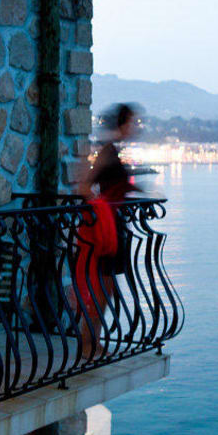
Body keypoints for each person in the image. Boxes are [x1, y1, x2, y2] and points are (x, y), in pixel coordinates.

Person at [73, 103, 142, 357]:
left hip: (114, 227)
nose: (135, 127)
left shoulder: (113, 151)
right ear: (122, 123)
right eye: (132, 122)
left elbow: (115, 185)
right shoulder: (107, 151)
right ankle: (88, 343)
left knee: (107, 288)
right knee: (101, 288)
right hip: (107, 229)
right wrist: (100, 209)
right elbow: (84, 186)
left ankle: (93, 341)